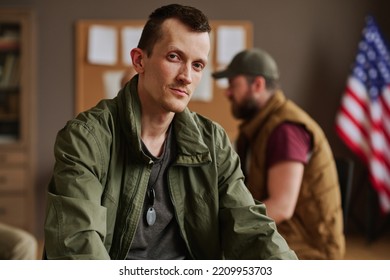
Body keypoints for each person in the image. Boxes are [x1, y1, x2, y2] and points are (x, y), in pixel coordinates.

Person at [43, 4, 297, 260]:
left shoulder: (213, 142)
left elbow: (252, 229)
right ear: (139, 60)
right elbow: (76, 246)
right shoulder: (85, 139)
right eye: (174, 57)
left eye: (197, 65)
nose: (187, 76)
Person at [212, 48, 345, 259]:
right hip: (283, 238)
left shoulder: (285, 130)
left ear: (257, 85)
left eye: (232, 85)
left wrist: (223, 226)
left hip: (308, 251)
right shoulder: (259, 126)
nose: (227, 93)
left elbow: (282, 206)